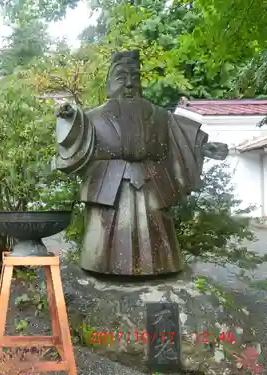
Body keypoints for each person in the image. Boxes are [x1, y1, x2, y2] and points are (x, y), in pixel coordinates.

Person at [55, 50, 228, 277]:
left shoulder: (160, 116)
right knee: (104, 243)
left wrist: (203, 148)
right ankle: (101, 267)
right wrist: (69, 117)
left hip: (152, 184)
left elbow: (180, 141)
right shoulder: (92, 118)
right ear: (109, 82)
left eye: (134, 78)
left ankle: (159, 269)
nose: (128, 84)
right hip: (108, 186)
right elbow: (76, 137)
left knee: (157, 239)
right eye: (121, 77)